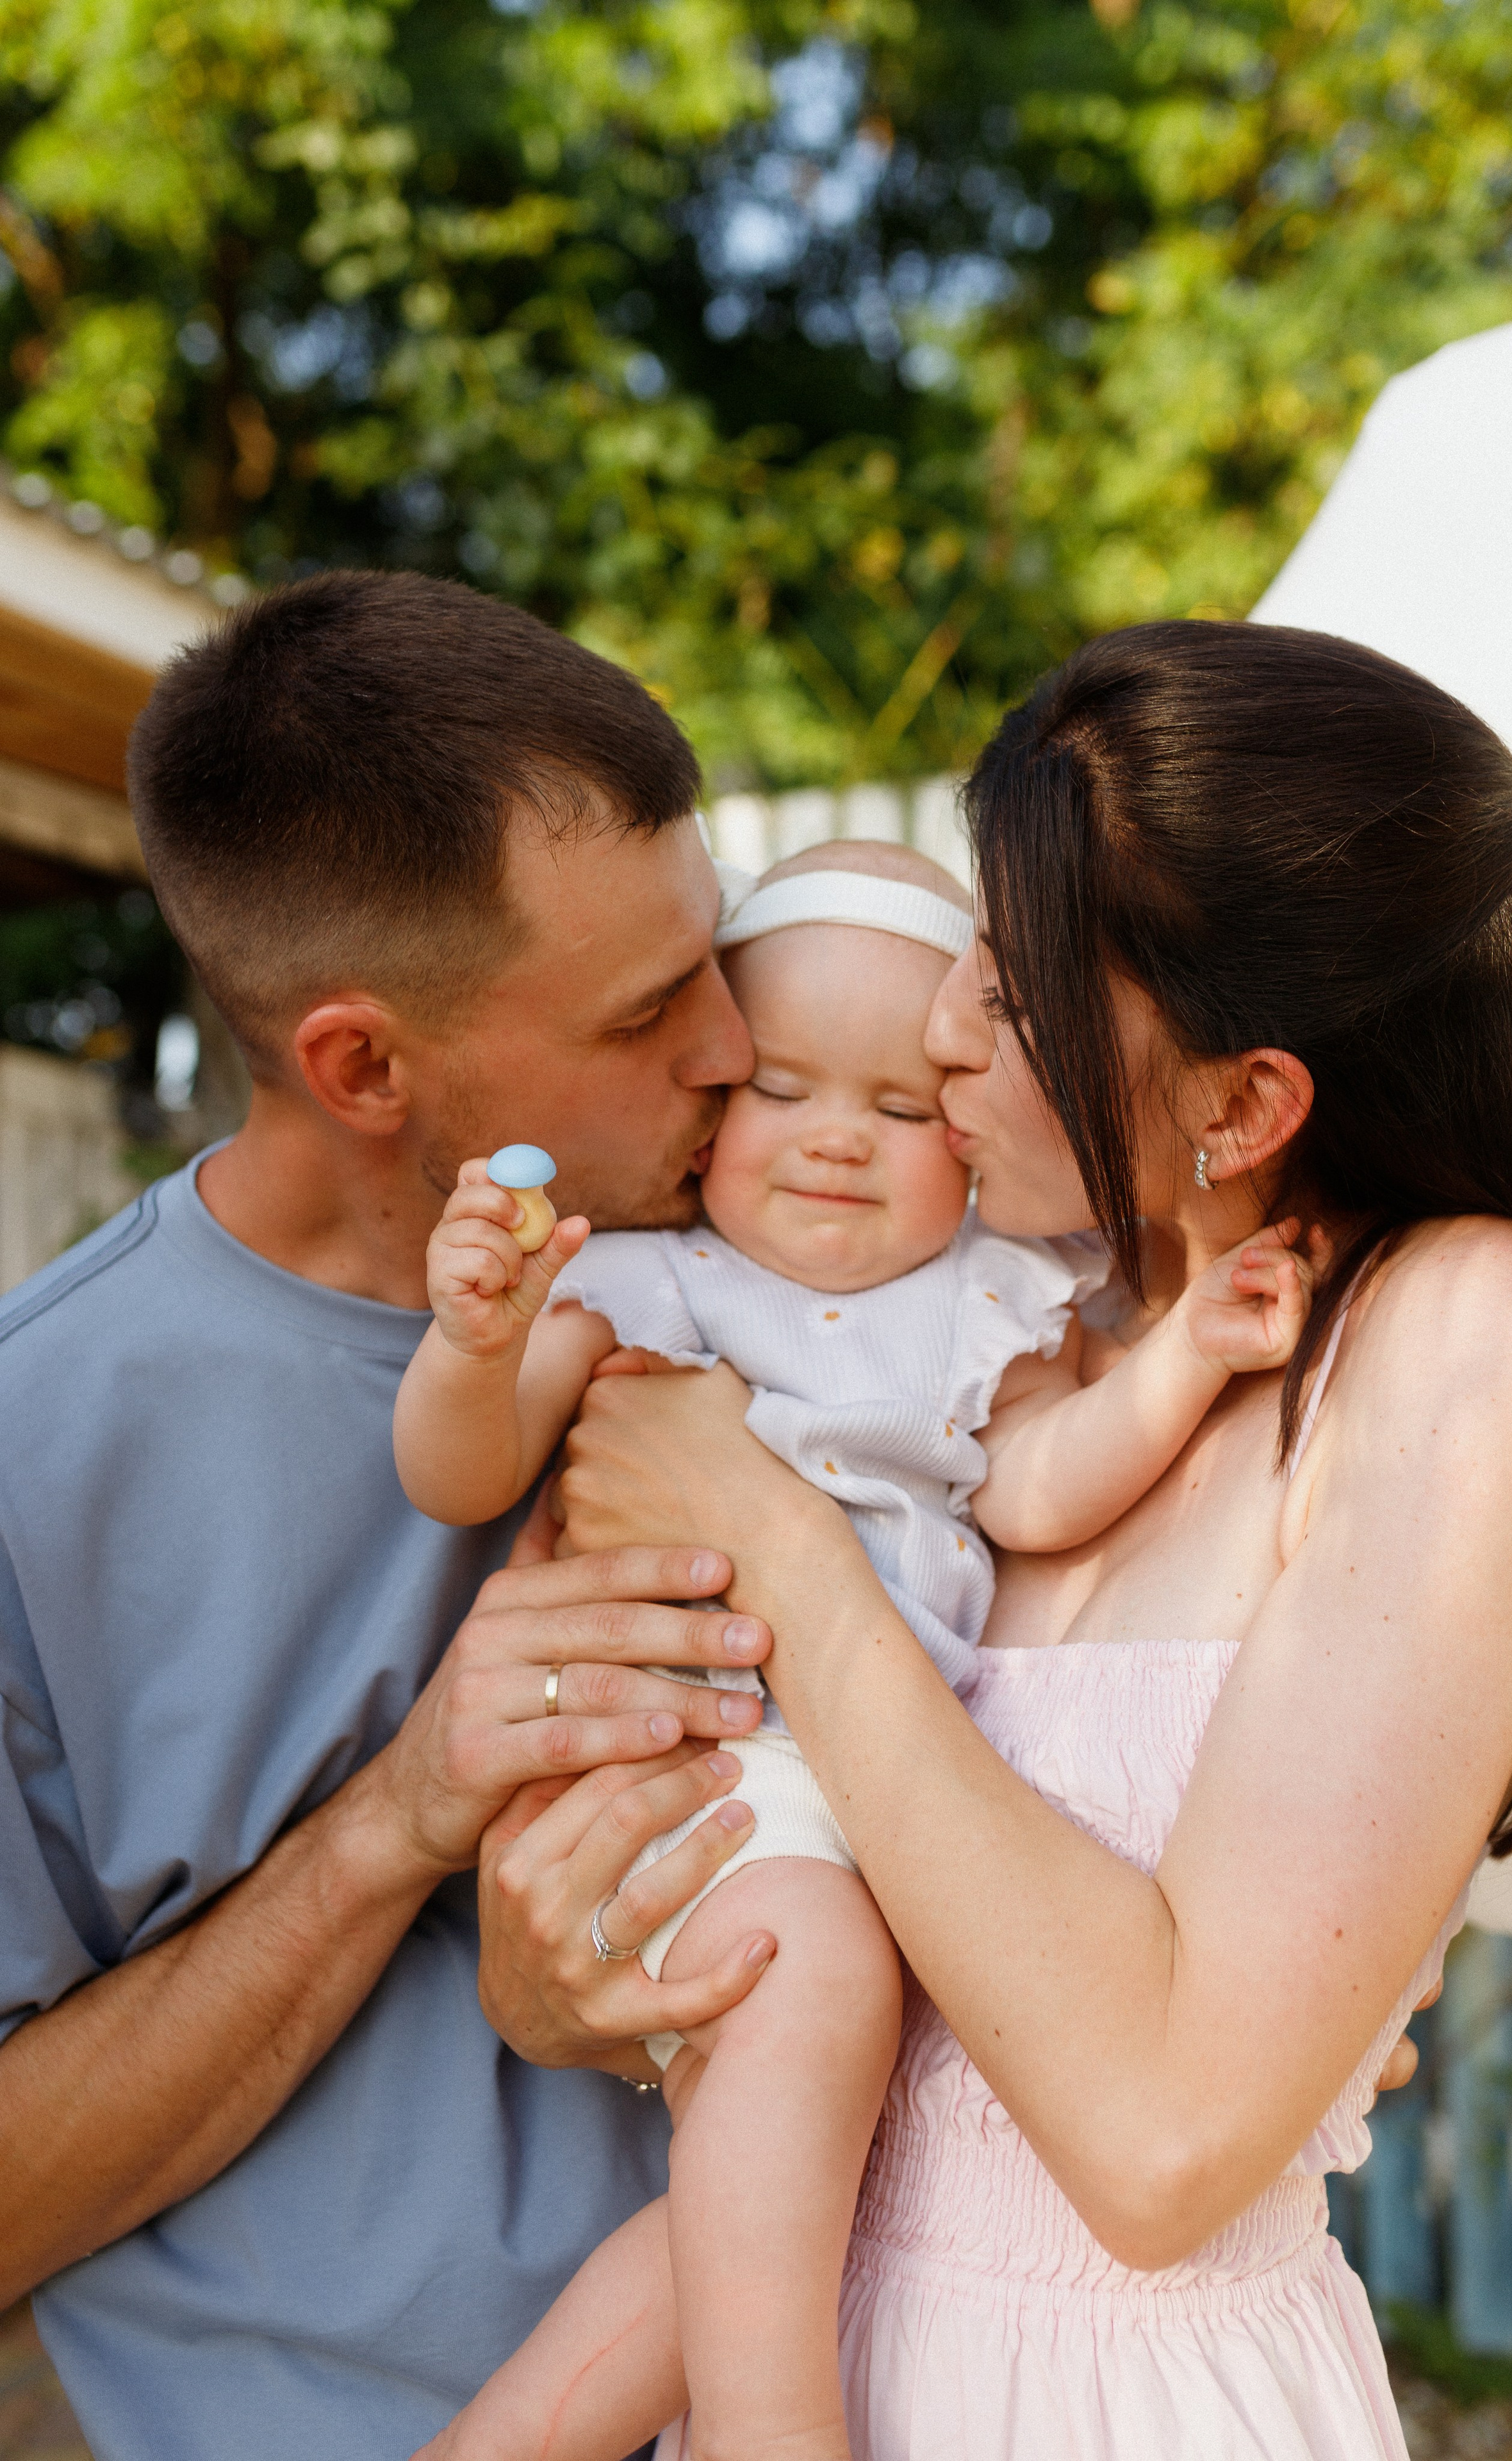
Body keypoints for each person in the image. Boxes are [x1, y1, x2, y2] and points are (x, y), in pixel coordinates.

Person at [520, 620, 1512, 2458]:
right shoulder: (1021, 1322)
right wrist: (558, 1966)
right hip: (793, 2354)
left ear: (1243, 1100)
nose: (939, 1032)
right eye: (971, 954)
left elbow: (1158, 2147)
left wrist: (777, 1548)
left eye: (1015, 999)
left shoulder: (1461, 1332)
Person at [0, 571, 798, 2461]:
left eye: (717, 961)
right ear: (364, 1066)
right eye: (647, 1010)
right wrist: (400, 1814)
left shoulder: (803, 1261)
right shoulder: (37, 1454)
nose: (735, 1049)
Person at [396, 837, 1316, 2460]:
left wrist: (1181, 1357)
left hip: (874, 1799)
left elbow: (1032, 1487)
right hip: (700, 1772)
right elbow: (455, 1476)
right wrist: (478, 1349)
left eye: (901, 1109)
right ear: (710, 1111)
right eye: (782, 1089)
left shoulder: (988, 1302)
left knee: (784, 2174)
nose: (835, 1139)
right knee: (806, 2008)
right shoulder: (644, 1284)